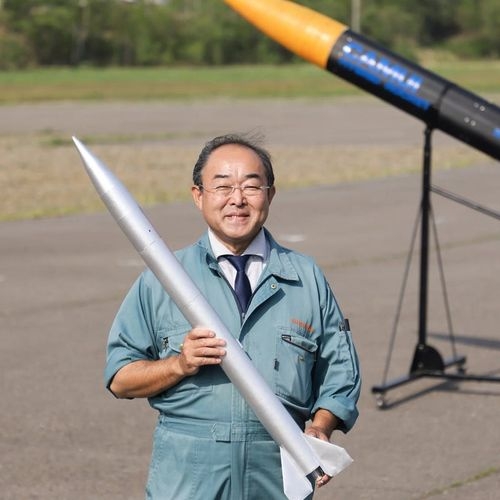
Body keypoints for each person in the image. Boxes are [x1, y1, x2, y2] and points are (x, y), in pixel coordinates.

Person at [104, 133, 361, 499]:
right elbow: (120, 378)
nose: (237, 199)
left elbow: (340, 373)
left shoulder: (306, 278)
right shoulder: (162, 279)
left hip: (276, 472)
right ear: (198, 196)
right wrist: (179, 364)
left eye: (251, 187)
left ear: (270, 195)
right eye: (222, 186)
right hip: (188, 477)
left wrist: (321, 426)